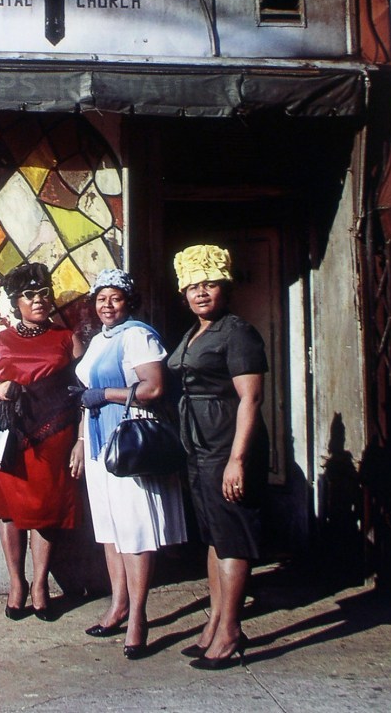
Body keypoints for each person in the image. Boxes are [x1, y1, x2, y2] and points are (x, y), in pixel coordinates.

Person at [70, 268, 188, 659]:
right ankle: (118, 604)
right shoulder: (100, 340)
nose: (107, 305)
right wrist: (81, 440)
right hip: (99, 442)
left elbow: (153, 388)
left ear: (128, 302)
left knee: (134, 531)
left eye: (115, 298)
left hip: (130, 441)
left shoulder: (138, 335)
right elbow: (87, 393)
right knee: (110, 530)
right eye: (101, 298)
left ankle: (138, 616)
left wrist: (106, 394)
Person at [167, 244, 269, 670]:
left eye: (209, 284)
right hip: (199, 448)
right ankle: (215, 624)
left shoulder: (237, 332)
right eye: (192, 286)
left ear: (224, 286)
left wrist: (237, 459)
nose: (200, 292)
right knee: (213, 538)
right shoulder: (195, 333)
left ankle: (230, 633)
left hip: (227, 447)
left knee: (232, 539)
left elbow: (251, 398)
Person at [0, 263, 84, 621]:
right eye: (30, 296)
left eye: (44, 294)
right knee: (10, 515)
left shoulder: (68, 339)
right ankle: (17, 584)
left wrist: (80, 439)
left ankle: (40, 586)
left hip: (53, 440)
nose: (39, 301)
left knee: (47, 515)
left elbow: (83, 392)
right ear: (16, 302)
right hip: (8, 440)